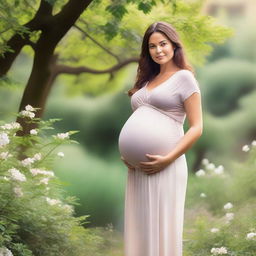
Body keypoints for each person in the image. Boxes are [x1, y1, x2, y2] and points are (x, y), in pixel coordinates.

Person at [118, 21, 203, 256]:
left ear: (174, 45)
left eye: (163, 44)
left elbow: (196, 128)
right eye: (152, 46)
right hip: (138, 169)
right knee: (141, 229)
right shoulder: (146, 82)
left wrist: (167, 159)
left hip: (166, 165)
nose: (158, 51)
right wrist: (128, 154)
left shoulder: (184, 78)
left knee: (162, 229)